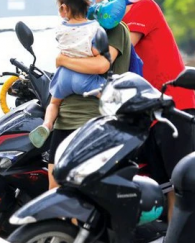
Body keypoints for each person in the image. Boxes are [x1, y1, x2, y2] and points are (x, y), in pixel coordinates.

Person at [34, 0, 132, 189]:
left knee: (84, 194)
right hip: (65, 121)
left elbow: (101, 65)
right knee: (55, 192)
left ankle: (47, 123)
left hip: (95, 122)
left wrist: (63, 60)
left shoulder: (113, 29)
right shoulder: (85, 28)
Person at [123, 0, 195, 222]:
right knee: (165, 188)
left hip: (174, 106)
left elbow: (121, 49)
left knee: (184, 185)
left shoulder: (143, 6)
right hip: (148, 112)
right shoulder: (113, 20)